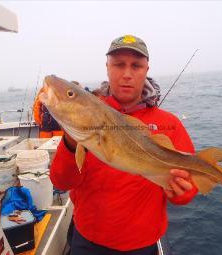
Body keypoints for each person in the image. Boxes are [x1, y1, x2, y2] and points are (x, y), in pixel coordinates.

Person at [50, 35, 198, 255]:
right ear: (107, 68)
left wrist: (181, 192)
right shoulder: (88, 112)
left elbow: (190, 187)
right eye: (119, 64)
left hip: (142, 244)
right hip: (88, 240)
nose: (127, 74)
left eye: (136, 66)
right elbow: (62, 181)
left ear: (146, 69)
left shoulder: (170, 124)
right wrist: (72, 141)